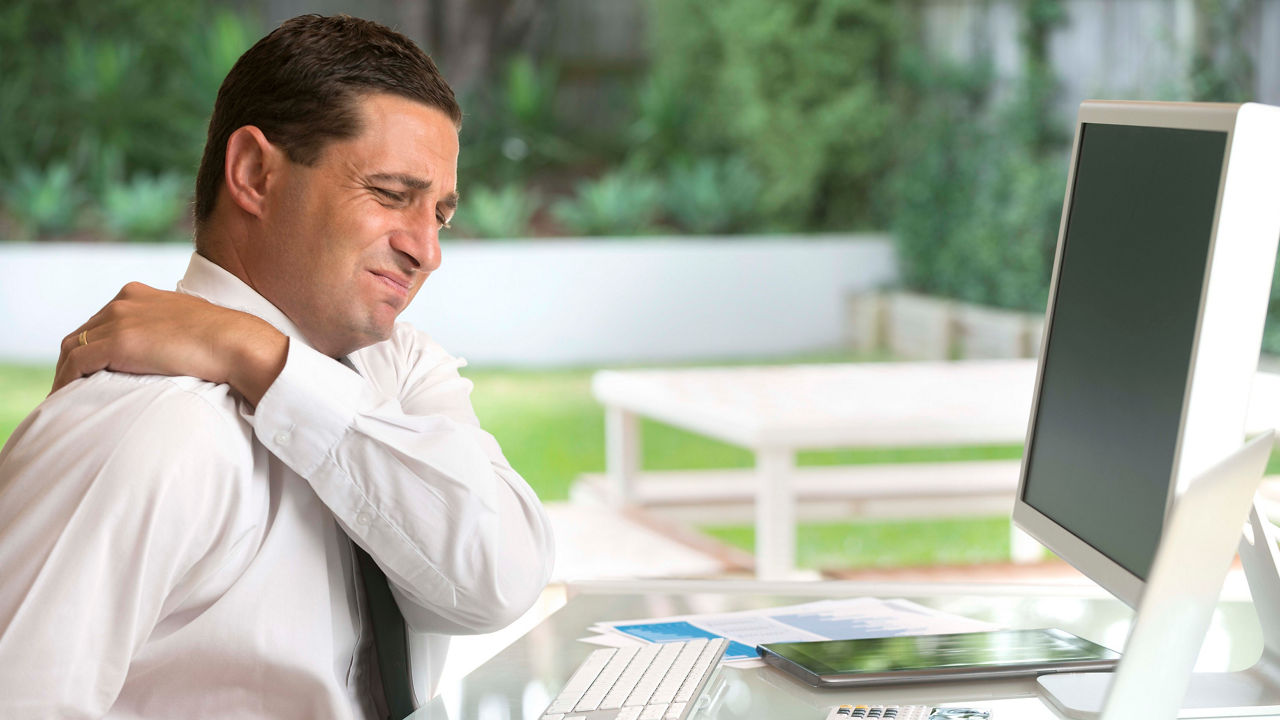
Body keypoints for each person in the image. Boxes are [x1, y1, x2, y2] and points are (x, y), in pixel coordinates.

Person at [0, 14, 553, 720]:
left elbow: (494, 583)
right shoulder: (146, 424)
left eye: (439, 214)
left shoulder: (400, 369)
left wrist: (262, 358)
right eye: (390, 194)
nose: (426, 250)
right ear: (256, 174)